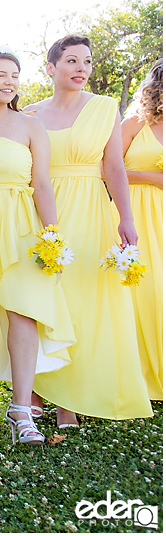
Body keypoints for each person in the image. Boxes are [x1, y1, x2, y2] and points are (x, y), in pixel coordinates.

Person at [28, 35, 152, 424]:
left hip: (90, 209)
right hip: (42, 209)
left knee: (83, 299)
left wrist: (125, 218)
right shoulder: (30, 114)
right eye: (71, 61)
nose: (81, 68)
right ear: (50, 68)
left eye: (87, 61)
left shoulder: (105, 108)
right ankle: (32, 392)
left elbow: (113, 167)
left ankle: (71, 400)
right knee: (39, 297)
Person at [0, 51, 76, 445]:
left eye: (15, 76)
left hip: (22, 227)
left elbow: (42, 184)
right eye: (1, 75)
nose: (10, 81)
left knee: (24, 312)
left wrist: (52, 234)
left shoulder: (30, 126)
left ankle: (21, 409)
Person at [118, 59, 162, 401]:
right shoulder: (136, 122)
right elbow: (108, 168)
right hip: (138, 212)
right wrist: (154, 178)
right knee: (143, 288)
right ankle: (134, 373)